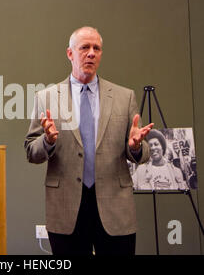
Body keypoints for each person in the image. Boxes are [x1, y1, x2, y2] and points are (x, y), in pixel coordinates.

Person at [25, 26, 154, 255]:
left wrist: (134, 147)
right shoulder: (46, 98)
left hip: (115, 207)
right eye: (85, 47)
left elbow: (142, 153)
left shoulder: (125, 97)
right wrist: (47, 141)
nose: (91, 53)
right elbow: (31, 152)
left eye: (97, 48)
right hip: (65, 208)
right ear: (70, 53)